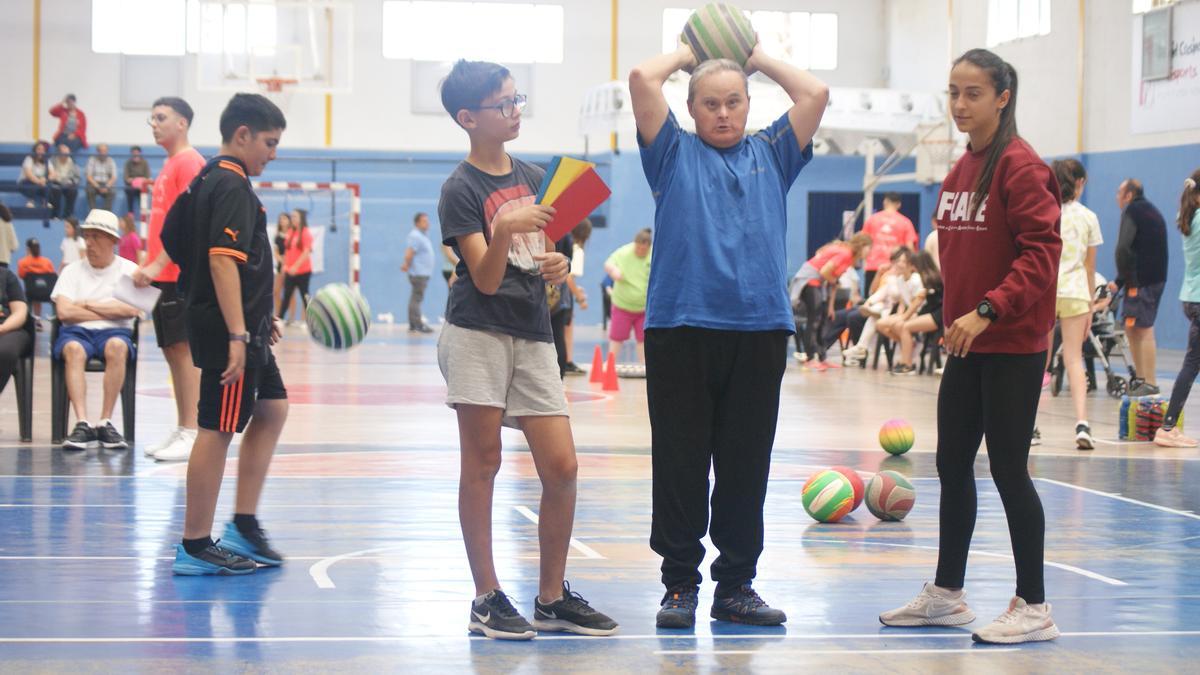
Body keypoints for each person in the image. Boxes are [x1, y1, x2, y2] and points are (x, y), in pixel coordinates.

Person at [630, 37, 828, 628]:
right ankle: (679, 586)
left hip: (758, 330)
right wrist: (688, 53)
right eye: (710, 104)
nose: (723, 113)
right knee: (681, 462)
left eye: (733, 102)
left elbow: (815, 93)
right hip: (680, 329)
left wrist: (757, 57)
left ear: (748, 104)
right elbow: (642, 77)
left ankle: (737, 585)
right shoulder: (670, 152)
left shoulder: (774, 151)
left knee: (746, 465)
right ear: (690, 110)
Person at [879, 48, 1062, 644]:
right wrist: (945, 314)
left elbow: (1041, 255)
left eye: (973, 93)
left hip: (1012, 343)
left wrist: (988, 310)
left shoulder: (1021, 166)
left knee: (1009, 468)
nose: (959, 104)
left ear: (1003, 97)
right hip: (967, 344)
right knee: (952, 464)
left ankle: (1033, 605)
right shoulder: (960, 172)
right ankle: (948, 595)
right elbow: (960, 262)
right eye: (953, 92)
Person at [436, 59, 617, 639]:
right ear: (469, 118)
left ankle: (551, 596)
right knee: (483, 464)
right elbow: (484, 279)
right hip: (477, 334)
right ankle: (487, 597)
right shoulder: (460, 189)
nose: (515, 112)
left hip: (534, 334)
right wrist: (507, 228)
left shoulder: (541, 176)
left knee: (562, 467)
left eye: (518, 101)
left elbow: (547, 261)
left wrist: (560, 266)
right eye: (503, 104)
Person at [171, 93, 290, 576]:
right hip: (229, 335)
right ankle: (196, 545)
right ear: (242, 135)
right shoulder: (231, 184)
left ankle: (243, 522)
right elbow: (222, 259)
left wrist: (258, 315)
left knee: (272, 407)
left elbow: (175, 241)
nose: (273, 153)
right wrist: (238, 334)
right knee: (217, 429)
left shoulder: (207, 180)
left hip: (244, 326)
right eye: (269, 142)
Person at [132, 96, 206, 462]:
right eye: (152, 117)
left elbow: (190, 225)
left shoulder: (190, 162)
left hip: (179, 274)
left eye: (161, 117)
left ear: (182, 123)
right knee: (172, 351)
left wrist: (157, 263)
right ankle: (182, 427)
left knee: (184, 352)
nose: (154, 123)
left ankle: (192, 432)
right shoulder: (168, 165)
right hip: (162, 274)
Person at [50, 209, 139, 450]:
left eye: (96, 237)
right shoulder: (71, 271)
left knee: (118, 347)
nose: (89, 243)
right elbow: (65, 312)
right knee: (73, 350)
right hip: (76, 332)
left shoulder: (129, 270)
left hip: (115, 332)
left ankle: (104, 422)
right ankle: (82, 423)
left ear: (114, 241)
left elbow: (131, 310)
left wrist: (87, 303)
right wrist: (109, 308)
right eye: (87, 236)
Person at [1046, 159, 1103, 449]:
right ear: (1079, 183)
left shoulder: (1045, 212)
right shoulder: (1088, 217)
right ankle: (1082, 424)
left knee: (1037, 362)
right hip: (1077, 293)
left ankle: (1029, 427)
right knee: (1073, 358)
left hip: (1045, 291)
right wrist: (1091, 305)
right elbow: (1090, 268)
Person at [1154, 170, 1200, 447]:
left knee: (1193, 362)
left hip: (1190, 298)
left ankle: (1169, 426)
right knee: (1192, 363)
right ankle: (1168, 427)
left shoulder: (1188, 218)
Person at [1112, 178, 1169, 397]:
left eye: (1120, 192)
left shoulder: (1132, 211)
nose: (1117, 197)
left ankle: (1150, 382)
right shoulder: (1150, 211)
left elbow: (1123, 249)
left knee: (1143, 328)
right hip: (1151, 279)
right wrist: (1120, 281)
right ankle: (1141, 378)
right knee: (1131, 327)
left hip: (1142, 281)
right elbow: (1137, 250)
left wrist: (1126, 281)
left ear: (1129, 195)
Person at [791, 234, 872, 370]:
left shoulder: (849, 257)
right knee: (814, 320)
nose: (869, 252)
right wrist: (834, 282)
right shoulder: (845, 253)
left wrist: (830, 308)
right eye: (869, 248)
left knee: (824, 319)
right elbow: (825, 272)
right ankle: (810, 358)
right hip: (809, 281)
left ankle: (822, 358)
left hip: (820, 283)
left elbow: (833, 282)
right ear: (862, 246)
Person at [882, 250, 943, 375]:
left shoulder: (929, 278)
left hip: (938, 315)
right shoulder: (927, 276)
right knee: (897, 326)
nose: (912, 267)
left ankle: (908, 365)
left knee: (904, 326)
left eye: (913, 264)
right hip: (929, 313)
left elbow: (918, 301)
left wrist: (904, 317)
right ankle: (907, 357)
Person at [603, 228, 652, 364]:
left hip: (643, 308)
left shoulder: (653, 254)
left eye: (644, 249)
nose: (640, 251)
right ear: (634, 244)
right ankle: (610, 363)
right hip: (622, 305)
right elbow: (608, 263)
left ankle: (645, 364)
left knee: (643, 339)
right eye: (638, 248)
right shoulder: (624, 252)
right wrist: (613, 270)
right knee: (616, 337)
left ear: (648, 247)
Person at [862, 192, 918, 291]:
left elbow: (863, 243)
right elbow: (910, 248)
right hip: (894, 268)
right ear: (899, 204)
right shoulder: (906, 222)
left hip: (873, 266)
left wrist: (867, 259)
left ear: (885, 202)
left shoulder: (872, 219)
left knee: (870, 300)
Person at [562, 219, 591, 375]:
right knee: (567, 328)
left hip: (559, 292)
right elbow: (568, 277)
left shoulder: (563, 242)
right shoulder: (577, 249)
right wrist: (580, 298)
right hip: (563, 296)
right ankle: (567, 361)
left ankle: (566, 360)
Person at [0, 261, 31, 400]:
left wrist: (3, 328)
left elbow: (20, 312)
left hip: (9, 329)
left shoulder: (6, 276)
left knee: (5, 351)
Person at [401, 212, 435, 333]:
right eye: (424, 221)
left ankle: (413, 324)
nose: (427, 223)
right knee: (417, 298)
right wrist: (406, 264)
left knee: (416, 298)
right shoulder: (415, 236)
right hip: (418, 273)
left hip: (422, 273)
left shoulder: (422, 236)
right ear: (417, 223)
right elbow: (410, 252)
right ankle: (417, 324)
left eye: (427, 220)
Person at [278, 208, 313, 324]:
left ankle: (311, 321)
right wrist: (285, 266)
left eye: (295, 216)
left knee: (305, 296)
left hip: (303, 272)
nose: (292, 219)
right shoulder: (290, 233)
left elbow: (306, 252)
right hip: (290, 272)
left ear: (301, 218)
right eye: (291, 216)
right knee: (286, 296)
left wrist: (296, 267)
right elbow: (287, 252)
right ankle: (280, 319)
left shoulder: (306, 232)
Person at [17, 237, 56, 322]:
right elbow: (52, 275)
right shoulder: (47, 261)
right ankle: (39, 321)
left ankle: (31, 321)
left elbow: (21, 275)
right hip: (47, 294)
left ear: (27, 249)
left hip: (31, 294)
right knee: (39, 290)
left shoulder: (23, 262)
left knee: (34, 291)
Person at [48, 143, 80, 220]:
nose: (66, 155)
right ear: (59, 153)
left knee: (73, 191)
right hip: (56, 182)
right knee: (55, 191)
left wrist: (72, 182)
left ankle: (68, 216)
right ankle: (55, 215)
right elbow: (49, 174)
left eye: (67, 153)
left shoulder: (72, 161)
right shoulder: (52, 161)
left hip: (68, 183)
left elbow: (77, 176)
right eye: (64, 153)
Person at [85, 144, 119, 211]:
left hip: (106, 183)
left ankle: (105, 213)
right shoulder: (92, 160)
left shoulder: (111, 161)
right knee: (89, 190)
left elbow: (114, 177)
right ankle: (93, 212)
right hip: (94, 183)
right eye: (101, 151)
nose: (103, 153)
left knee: (112, 192)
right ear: (98, 151)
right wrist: (98, 186)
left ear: (107, 151)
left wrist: (106, 186)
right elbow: (89, 176)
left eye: (105, 151)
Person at [17, 141, 51, 208]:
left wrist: (45, 179)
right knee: (32, 184)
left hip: (41, 181)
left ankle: (45, 202)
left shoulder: (47, 160)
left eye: (43, 150)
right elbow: (28, 174)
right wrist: (39, 182)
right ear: (34, 150)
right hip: (26, 181)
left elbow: (53, 174)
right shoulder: (29, 159)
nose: (41, 151)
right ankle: (31, 201)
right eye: (39, 149)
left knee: (51, 184)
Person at [272, 212, 291, 319]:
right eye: (281, 219)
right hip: (280, 267)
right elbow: (276, 252)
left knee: (290, 293)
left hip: (290, 267)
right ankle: (278, 316)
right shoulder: (277, 236)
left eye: (284, 219)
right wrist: (282, 261)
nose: (282, 221)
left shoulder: (293, 235)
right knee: (276, 291)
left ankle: (292, 319)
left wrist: (288, 262)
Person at [123, 145, 151, 216]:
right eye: (134, 153)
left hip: (142, 186)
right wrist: (135, 182)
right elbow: (126, 178)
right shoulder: (128, 163)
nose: (135, 154)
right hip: (131, 186)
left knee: (144, 192)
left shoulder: (145, 163)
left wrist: (140, 182)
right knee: (129, 190)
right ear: (131, 154)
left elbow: (147, 177)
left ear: (140, 153)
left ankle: (143, 212)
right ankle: (130, 213)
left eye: (137, 152)